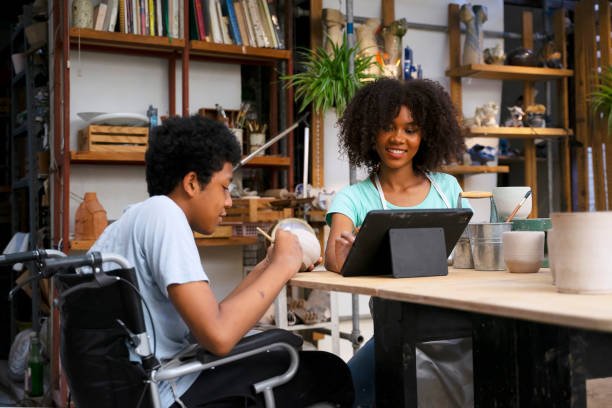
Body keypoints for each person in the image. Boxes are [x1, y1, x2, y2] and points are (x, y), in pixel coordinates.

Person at [90, 115, 354, 408]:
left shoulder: (125, 225)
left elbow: (210, 322)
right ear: (192, 182)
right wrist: (284, 265)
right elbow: (218, 337)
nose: (229, 201)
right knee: (329, 372)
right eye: (225, 186)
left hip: (138, 390)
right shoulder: (165, 216)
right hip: (169, 393)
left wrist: (268, 266)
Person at [325, 78, 473, 407]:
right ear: (369, 132)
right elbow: (333, 257)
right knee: (348, 392)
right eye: (388, 127)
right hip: (396, 327)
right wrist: (348, 254)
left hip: (456, 323)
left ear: (426, 135)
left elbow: (467, 255)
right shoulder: (354, 197)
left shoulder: (447, 188)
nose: (398, 139)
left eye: (410, 129)